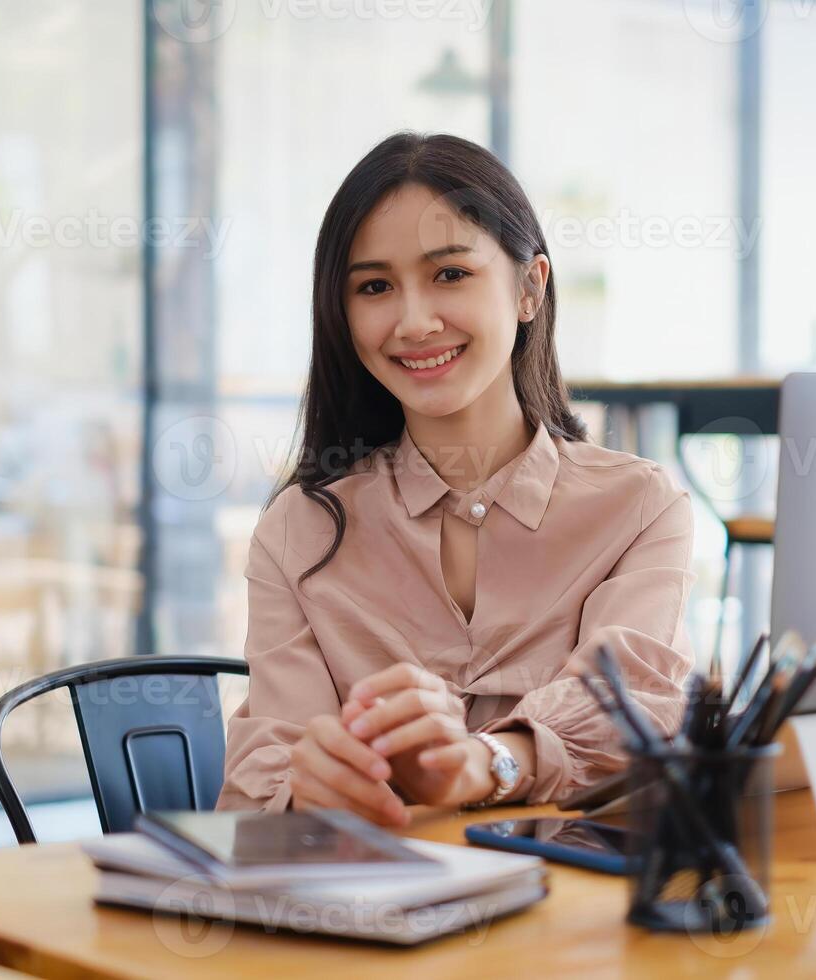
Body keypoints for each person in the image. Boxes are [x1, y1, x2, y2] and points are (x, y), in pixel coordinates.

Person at [217, 132, 695, 826]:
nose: (414, 322)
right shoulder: (299, 531)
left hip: (569, 921)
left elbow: (631, 714)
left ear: (530, 288)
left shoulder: (640, 508)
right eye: (375, 287)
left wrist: (485, 763)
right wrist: (309, 787)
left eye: (450, 275)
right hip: (369, 910)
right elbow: (262, 781)